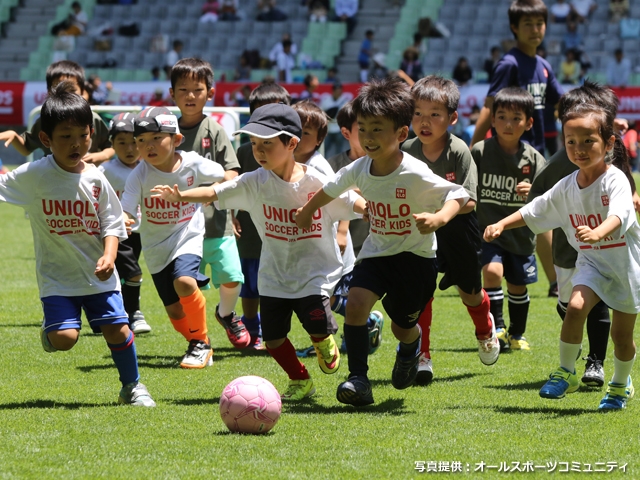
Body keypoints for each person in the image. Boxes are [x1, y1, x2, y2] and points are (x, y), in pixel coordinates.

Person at [152, 103, 366, 401]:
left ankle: (322, 338)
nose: (259, 151)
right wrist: (181, 195)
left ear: (291, 143)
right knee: (274, 339)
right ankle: (300, 379)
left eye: (267, 144)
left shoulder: (317, 181)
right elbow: (215, 192)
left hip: (315, 274)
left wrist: (369, 210)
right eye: (254, 144)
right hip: (274, 276)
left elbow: (350, 200)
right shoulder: (254, 182)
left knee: (316, 323)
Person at [295, 78, 470, 406]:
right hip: (377, 254)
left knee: (402, 327)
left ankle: (410, 347)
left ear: (401, 134)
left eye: (377, 129)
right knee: (357, 304)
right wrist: (308, 211)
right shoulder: (359, 168)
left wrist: (438, 219)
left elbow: (458, 194)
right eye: (363, 129)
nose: (368, 138)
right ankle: (358, 379)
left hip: (416, 259)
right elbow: (331, 188)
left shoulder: (415, 172)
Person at [484, 81, 639, 410]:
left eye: (588, 141)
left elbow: (621, 214)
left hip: (625, 267)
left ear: (609, 143)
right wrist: (501, 223)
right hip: (592, 264)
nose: (579, 148)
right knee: (576, 308)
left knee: (622, 339)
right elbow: (534, 209)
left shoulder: (615, 180)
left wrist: (598, 233)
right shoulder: (567, 184)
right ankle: (566, 372)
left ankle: (619, 385)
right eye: (571, 142)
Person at [0, 84, 155, 407]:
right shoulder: (34, 176)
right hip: (57, 277)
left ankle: (133, 387)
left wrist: (110, 256)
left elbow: (112, 223)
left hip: (99, 275)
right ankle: (51, 331)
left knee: (117, 329)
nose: (76, 144)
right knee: (64, 340)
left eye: (82, 136)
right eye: (65, 137)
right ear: (45, 140)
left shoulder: (96, 178)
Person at [402, 75, 500, 383]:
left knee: (470, 293)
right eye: (417, 113)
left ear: (453, 118)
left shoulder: (459, 151)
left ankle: (485, 328)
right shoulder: (404, 151)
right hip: (419, 229)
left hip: (458, 230)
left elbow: (469, 201)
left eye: (434, 114)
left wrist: (440, 213)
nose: (424, 121)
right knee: (421, 294)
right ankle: (423, 355)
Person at [470, 0, 562, 299]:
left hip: (532, 153)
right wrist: (473, 148)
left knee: (541, 214)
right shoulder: (509, 64)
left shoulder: (544, 66)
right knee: (522, 213)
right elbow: (488, 107)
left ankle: (554, 281)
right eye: (528, 25)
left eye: (539, 24)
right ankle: (546, 279)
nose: (535, 30)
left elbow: (561, 106)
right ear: (514, 28)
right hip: (504, 153)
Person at [121, 107, 225, 368]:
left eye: (156, 138)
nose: (148, 146)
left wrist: (209, 194)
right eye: (141, 140)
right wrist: (124, 218)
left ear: (176, 140)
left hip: (187, 235)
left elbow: (225, 177)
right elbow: (126, 208)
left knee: (184, 282)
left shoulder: (192, 163)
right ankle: (199, 343)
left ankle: (200, 343)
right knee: (174, 311)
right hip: (155, 247)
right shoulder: (139, 174)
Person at [291, 100, 385, 358]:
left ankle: (352, 329)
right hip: (311, 241)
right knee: (320, 297)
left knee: (320, 296)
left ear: (320, 138)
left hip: (330, 243)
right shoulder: (295, 161)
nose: (298, 138)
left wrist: (342, 231)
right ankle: (348, 331)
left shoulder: (321, 166)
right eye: (293, 130)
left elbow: (342, 194)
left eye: (305, 133)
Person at [169, 58, 250, 349]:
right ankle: (197, 338)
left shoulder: (214, 131)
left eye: (197, 89)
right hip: (177, 228)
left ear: (210, 93)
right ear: (172, 94)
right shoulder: (166, 132)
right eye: (183, 90)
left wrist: (216, 190)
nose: (190, 96)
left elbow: (233, 171)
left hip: (217, 223)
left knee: (231, 277)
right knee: (183, 288)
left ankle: (226, 314)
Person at [472, 87, 546, 352]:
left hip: (521, 235)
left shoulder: (535, 159)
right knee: (492, 272)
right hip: (488, 231)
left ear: (529, 123)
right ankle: (498, 328)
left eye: (516, 118)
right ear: (492, 120)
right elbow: (465, 189)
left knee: (517, 284)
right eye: (501, 117)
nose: (508, 124)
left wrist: (534, 192)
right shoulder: (479, 152)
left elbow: (548, 199)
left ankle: (517, 333)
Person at [232, 83, 294, 348]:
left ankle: (276, 330)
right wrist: (232, 215)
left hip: (284, 225)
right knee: (251, 279)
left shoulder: (291, 149)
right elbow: (234, 186)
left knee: (282, 279)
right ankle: (252, 329)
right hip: (251, 225)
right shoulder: (246, 151)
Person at [0, 61, 114, 165]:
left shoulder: (93, 118)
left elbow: (112, 146)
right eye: (60, 90)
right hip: (52, 182)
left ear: (83, 91)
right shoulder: (46, 121)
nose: (66, 95)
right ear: (49, 93)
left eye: (72, 90)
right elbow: (26, 148)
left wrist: (103, 155)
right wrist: (14, 136)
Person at [98, 113, 151, 335]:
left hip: (142, 231)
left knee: (119, 276)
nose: (129, 149)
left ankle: (107, 315)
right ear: (112, 144)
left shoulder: (149, 168)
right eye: (122, 142)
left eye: (134, 142)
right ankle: (134, 313)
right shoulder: (105, 171)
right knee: (133, 273)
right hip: (118, 232)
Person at [326, 100, 370, 255]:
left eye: (374, 127)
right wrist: (341, 232)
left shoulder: (386, 164)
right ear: (346, 133)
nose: (369, 134)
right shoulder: (332, 166)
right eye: (362, 129)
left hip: (380, 247)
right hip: (345, 250)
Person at [320, 82, 349, 158]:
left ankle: (338, 167)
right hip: (328, 130)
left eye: (340, 90)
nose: (338, 92)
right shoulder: (326, 101)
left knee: (339, 151)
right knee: (324, 150)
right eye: (337, 90)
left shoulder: (344, 102)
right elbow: (320, 113)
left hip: (339, 130)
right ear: (333, 91)